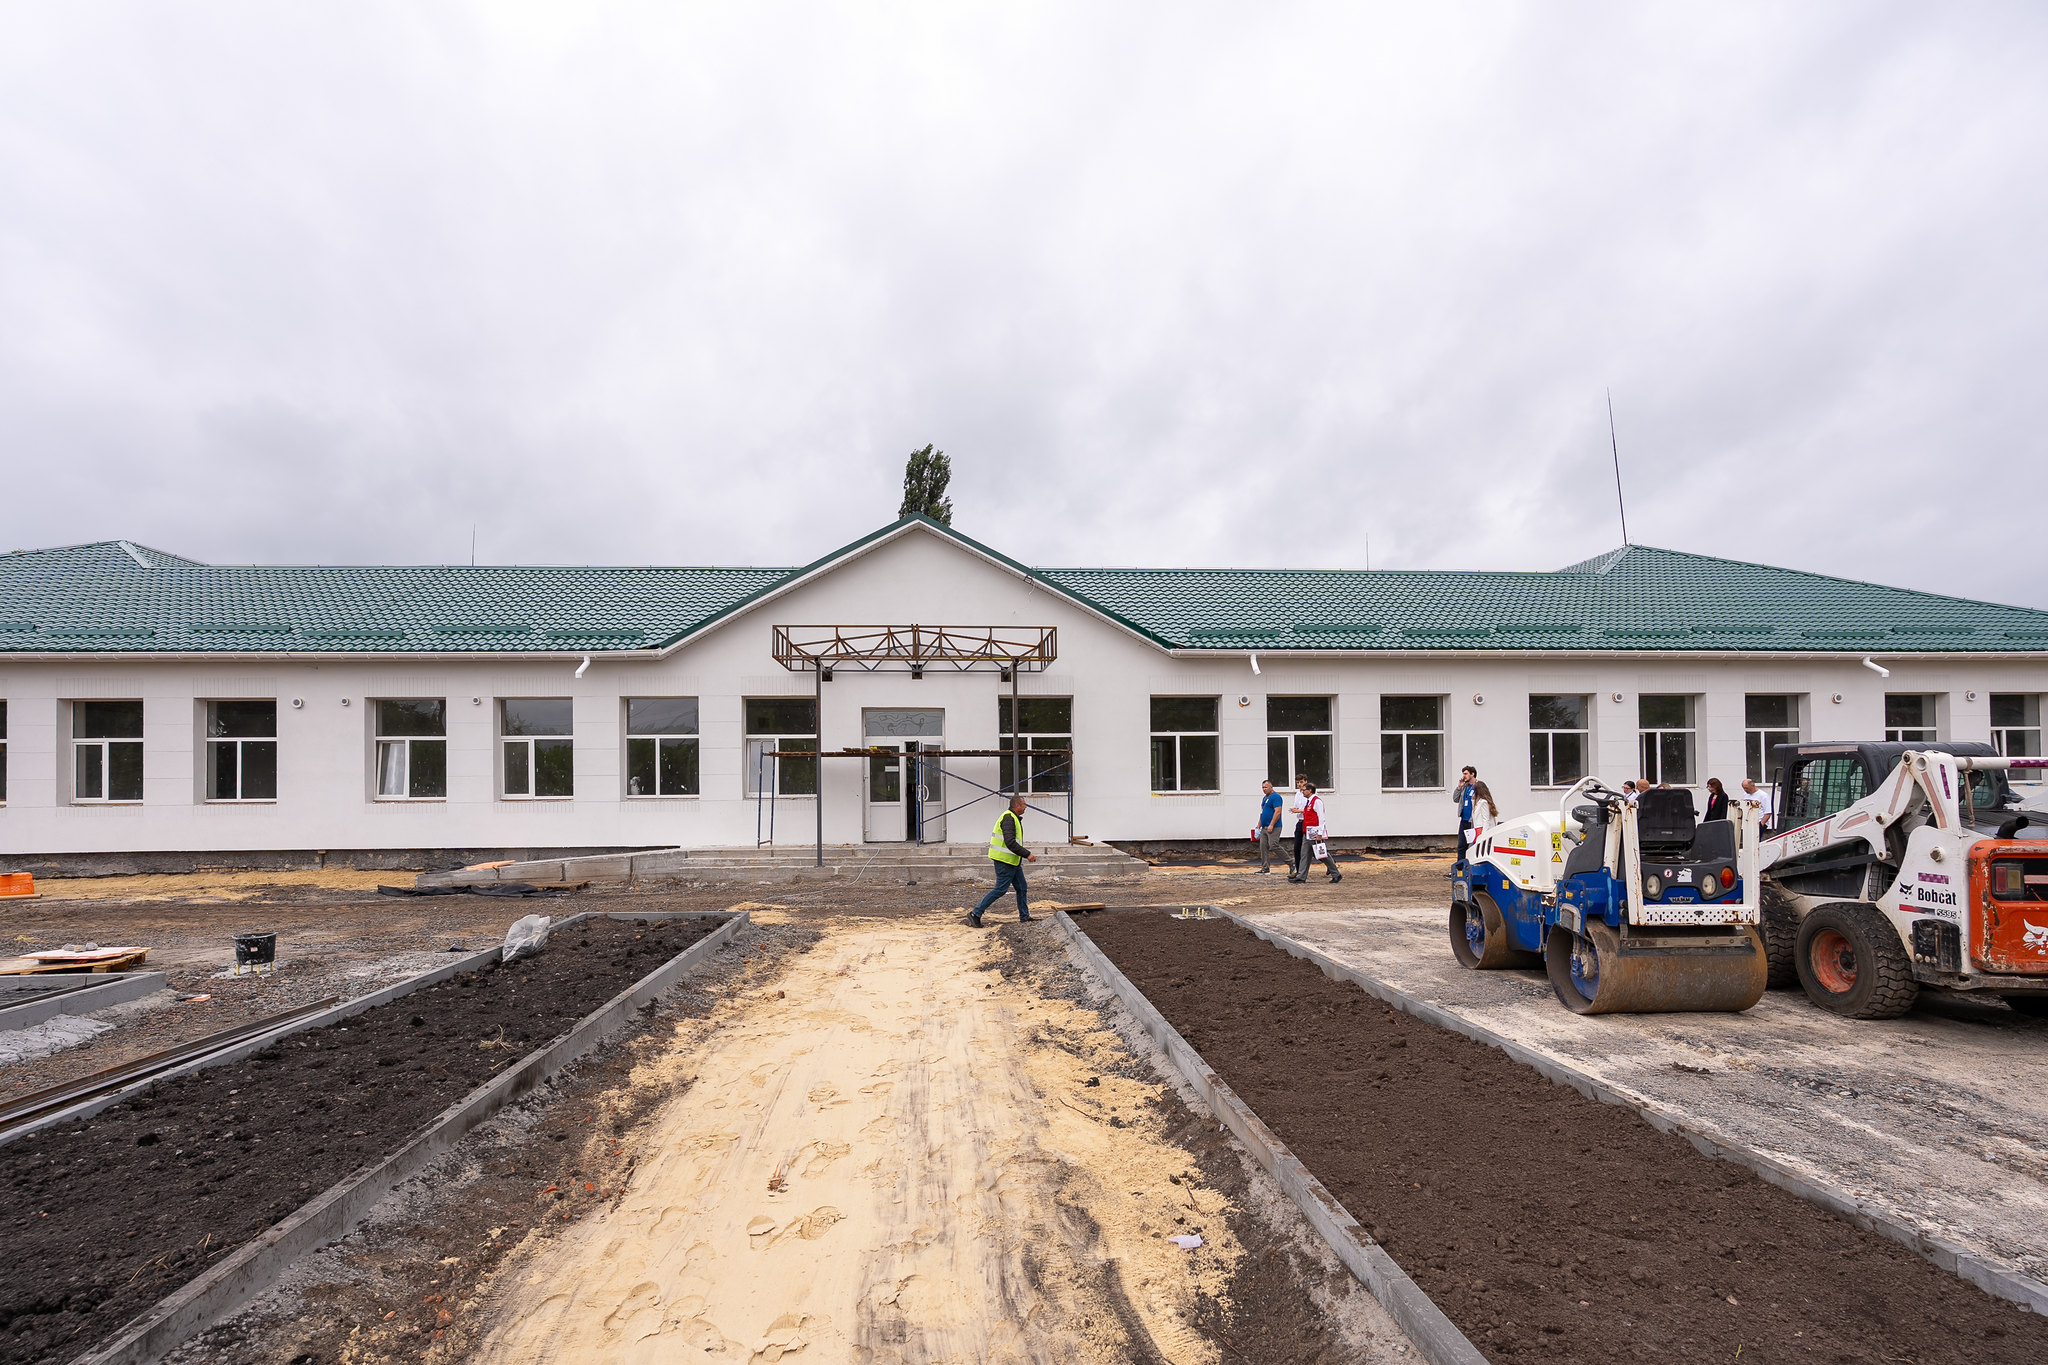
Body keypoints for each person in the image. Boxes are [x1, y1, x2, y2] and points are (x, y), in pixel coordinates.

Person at [967, 794, 1036, 926]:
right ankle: (975, 913)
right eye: (1024, 805)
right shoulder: (1009, 818)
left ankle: (1024, 916)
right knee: (1000, 889)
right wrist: (1027, 854)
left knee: (1022, 887)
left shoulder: (1013, 818)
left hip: (1012, 861)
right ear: (1017, 806)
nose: (1026, 807)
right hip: (1004, 861)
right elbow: (1010, 842)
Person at [1292, 781, 1342, 883]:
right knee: (1305, 854)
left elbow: (1321, 818)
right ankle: (1301, 876)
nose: (1303, 792)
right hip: (1308, 832)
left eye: (1304, 790)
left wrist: (1320, 833)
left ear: (1310, 790)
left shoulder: (1317, 801)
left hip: (1314, 832)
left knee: (1322, 854)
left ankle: (1336, 873)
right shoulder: (1309, 802)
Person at [1453, 766, 1497, 866]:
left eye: (1466, 774)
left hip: (1474, 822)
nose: (1463, 776)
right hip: (1464, 820)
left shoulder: (1479, 787)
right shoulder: (1465, 786)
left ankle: (1473, 867)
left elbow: (1485, 814)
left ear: (1472, 774)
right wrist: (1459, 787)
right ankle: (1460, 868)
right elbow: (1455, 799)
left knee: (1474, 846)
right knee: (1461, 846)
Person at [1254, 778, 1286, 873]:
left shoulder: (1276, 797)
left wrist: (1271, 824)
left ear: (1271, 787)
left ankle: (1290, 862)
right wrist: (1258, 825)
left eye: (1266, 787)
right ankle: (1265, 868)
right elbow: (1262, 813)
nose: (1264, 789)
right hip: (1264, 827)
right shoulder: (1265, 798)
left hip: (1274, 826)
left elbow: (1277, 812)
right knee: (1263, 847)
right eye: (1262, 787)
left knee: (1273, 845)